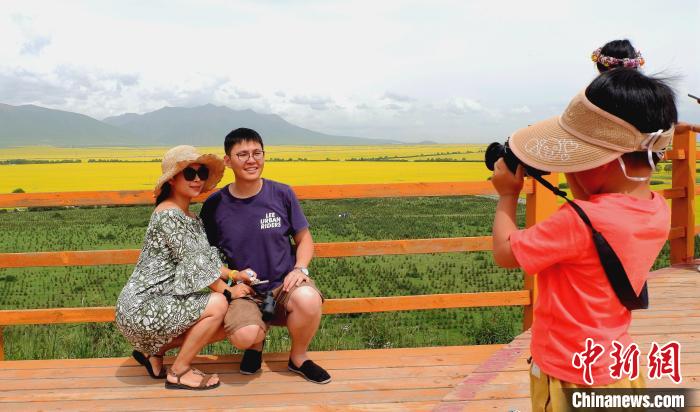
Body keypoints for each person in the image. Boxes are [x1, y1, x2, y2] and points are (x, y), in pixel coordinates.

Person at [490, 69, 676, 410]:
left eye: (577, 159)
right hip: (617, 369)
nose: (569, 169)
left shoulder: (578, 221)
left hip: (569, 373)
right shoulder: (657, 210)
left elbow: (504, 253)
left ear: (609, 161)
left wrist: (507, 194)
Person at [116, 145, 255, 390]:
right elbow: (195, 264)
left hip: (159, 304)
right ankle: (179, 371)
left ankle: (155, 351)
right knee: (220, 304)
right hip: (141, 307)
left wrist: (233, 275)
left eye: (201, 173)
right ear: (172, 180)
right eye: (189, 174)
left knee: (227, 321)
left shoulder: (189, 216)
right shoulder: (169, 215)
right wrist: (229, 291)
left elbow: (205, 259)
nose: (198, 179)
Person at [200, 128, 331, 384]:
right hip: (245, 291)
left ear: (264, 155)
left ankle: (299, 358)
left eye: (256, 153)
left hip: (285, 285)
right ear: (228, 161)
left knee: (308, 298)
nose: (251, 160)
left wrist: (300, 269)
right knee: (245, 335)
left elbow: (304, 239)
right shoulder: (215, 204)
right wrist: (230, 283)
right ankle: (255, 345)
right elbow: (205, 257)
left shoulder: (282, 194)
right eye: (242, 154)